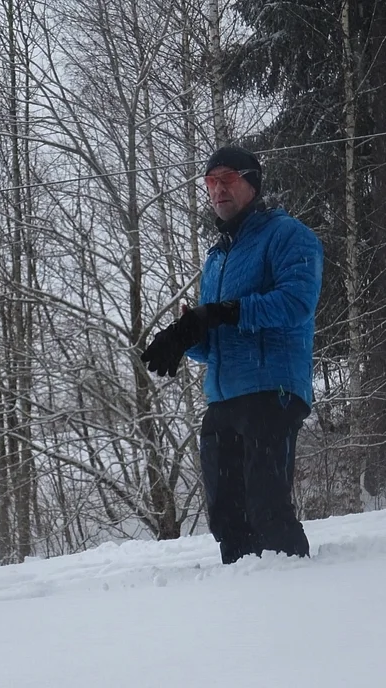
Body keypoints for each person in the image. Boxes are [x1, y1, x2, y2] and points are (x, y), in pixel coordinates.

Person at [140, 145, 323, 564]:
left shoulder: (288, 235)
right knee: (226, 515)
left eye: (227, 179)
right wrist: (189, 333)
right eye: (210, 182)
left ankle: (293, 596)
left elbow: (296, 303)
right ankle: (242, 605)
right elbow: (216, 339)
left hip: (271, 388)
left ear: (252, 184)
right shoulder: (217, 257)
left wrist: (221, 311)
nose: (217, 189)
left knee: (266, 508)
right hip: (223, 396)